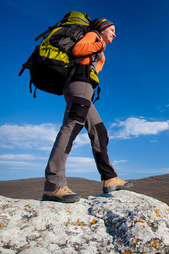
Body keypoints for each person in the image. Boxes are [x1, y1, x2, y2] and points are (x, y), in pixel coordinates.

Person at [42, 18, 132, 203]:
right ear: (102, 29)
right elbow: (78, 50)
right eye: (112, 30)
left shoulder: (99, 43)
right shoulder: (93, 35)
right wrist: (98, 45)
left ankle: (110, 178)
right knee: (72, 127)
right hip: (79, 86)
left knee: (99, 131)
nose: (114, 34)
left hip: (84, 89)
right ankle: (54, 184)